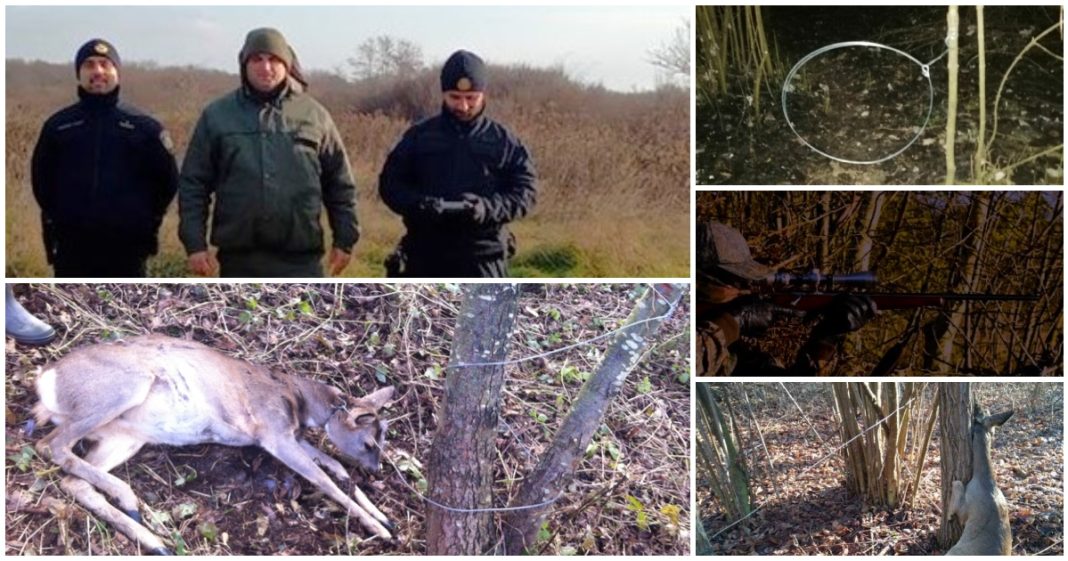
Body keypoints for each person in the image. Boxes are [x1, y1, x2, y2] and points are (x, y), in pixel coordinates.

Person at [179, 28, 357, 277]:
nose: (266, 67)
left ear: (286, 64)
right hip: (238, 259)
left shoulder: (314, 115)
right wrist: (194, 244)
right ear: (244, 65)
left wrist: (345, 237)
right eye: (257, 59)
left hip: (301, 259)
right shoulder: (217, 116)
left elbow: (339, 183)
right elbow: (193, 184)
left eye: (274, 59)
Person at [379, 49, 537, 278]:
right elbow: (391, 185)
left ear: (483, 95)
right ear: (443, 94)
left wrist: (487, 208)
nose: (463, 106)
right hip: (425, 255)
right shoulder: (418, 137)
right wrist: (420, 205)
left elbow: (526, 193)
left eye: (471, 98)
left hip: (484, 258)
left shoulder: (505, 142)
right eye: (455, 97)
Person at [31, 39, 178, 277]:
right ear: (79, 73)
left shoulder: (144, 127)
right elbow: (42, 184)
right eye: (89, 65)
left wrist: (143, 222)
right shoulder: (58, 127)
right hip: (72, 249)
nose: (97, 71)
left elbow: (167, 183)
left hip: (128, 250)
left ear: (116, 72)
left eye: (105, 64)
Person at [696, 221, 876, 376]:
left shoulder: (735, 354)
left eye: (743, 282)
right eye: (731, 282)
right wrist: (733, 321)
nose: (740, 291)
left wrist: (825, 338)